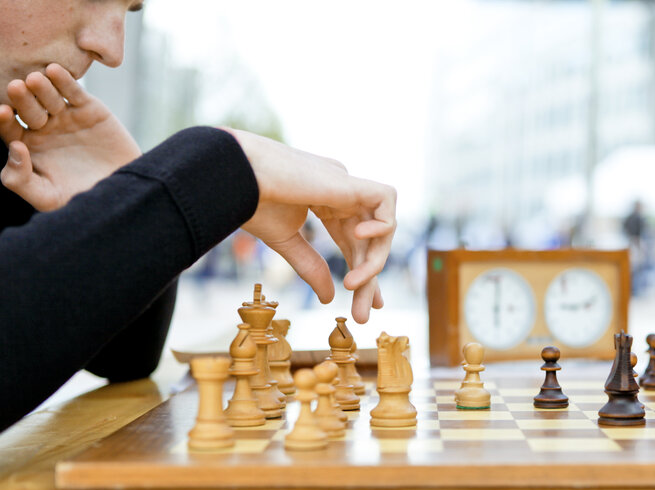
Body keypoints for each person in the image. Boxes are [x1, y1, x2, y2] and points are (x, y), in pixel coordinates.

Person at [0, 0, 396, 431]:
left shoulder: (19, 139)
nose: (112, 50)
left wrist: (112, 200)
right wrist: (224, 169)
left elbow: (126, 356)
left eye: (130, 11)